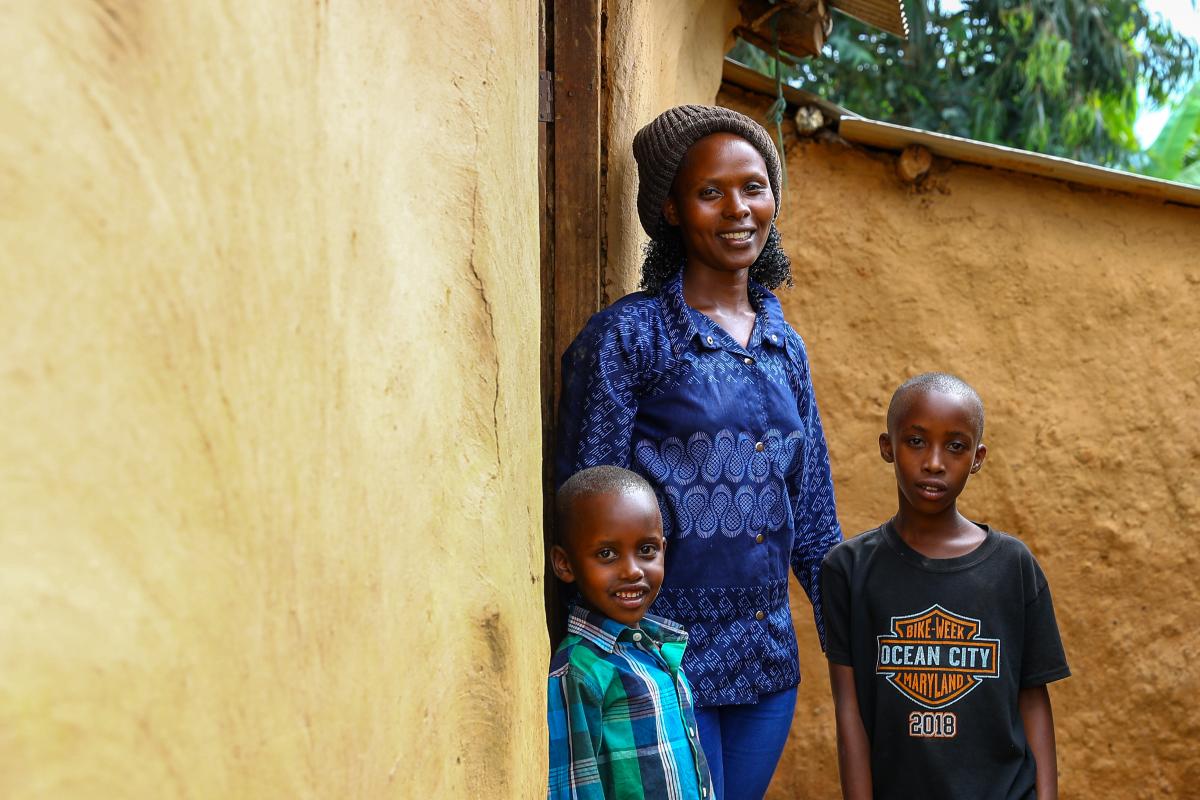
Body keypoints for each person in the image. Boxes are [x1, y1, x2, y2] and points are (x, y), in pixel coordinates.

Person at [556, 104, 842, 799]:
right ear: (671, 210)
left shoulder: (785, 348)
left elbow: (813, 520)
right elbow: (584, 507)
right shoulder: (630, 339)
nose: (738, 209)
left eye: (753, 186)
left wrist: (861, 639)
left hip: (767, 665)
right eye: (710, 192)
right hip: (655, 666)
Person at [822, 373, 1070, 800]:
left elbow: (1032, 700)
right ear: (887, 446)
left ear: (977, 457)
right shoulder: (849, 569)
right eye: (916, 441)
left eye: (955, 446)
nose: (934, 462)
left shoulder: (1012, 566)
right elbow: (851, 713)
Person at [547, 465, 714, 800]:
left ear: (664, 550)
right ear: (565, 564)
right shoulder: (581, 671)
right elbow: (576, 789)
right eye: (606, 554)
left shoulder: (657, 651)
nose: (633, 570)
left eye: (647, 550)